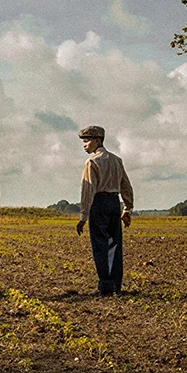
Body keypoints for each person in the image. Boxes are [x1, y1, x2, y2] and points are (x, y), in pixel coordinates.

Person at [75, 125, 134, 296]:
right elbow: (126, 186)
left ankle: (105, 286)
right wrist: (127, 208)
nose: (84, 145)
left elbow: (88, 190)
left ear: (97, 141)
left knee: (100, 245)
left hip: (99, 203)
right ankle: (116, 284)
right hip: (114, 203)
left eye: (86, 141)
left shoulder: (92, 162)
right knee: (114, 244)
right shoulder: (117, 160)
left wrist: (83, 215)